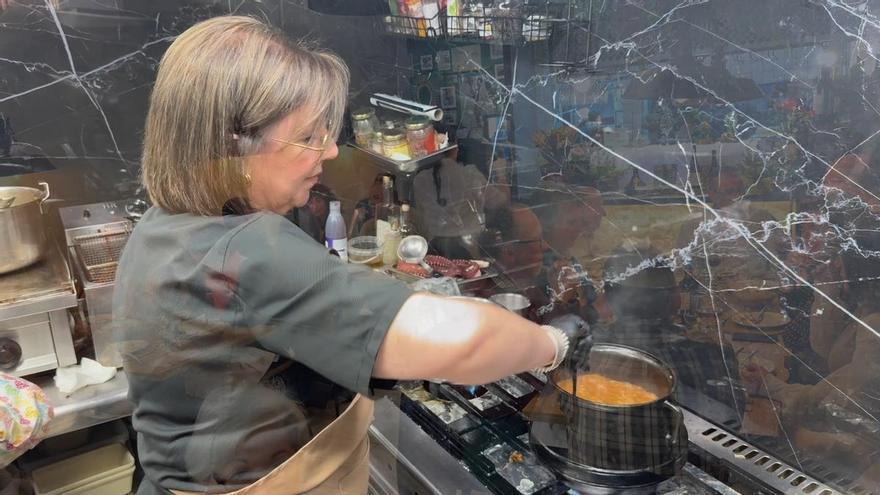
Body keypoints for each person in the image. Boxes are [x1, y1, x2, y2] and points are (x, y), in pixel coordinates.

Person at [114, 16, 567, 495]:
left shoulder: (163, 220)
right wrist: (553, 344)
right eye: (308, 136)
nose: (330, 150)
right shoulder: (245, 246)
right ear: (235, 145)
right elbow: (467, 340)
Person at [413, 126, 510, 259]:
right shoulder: (470, 175)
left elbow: (421, 218)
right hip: (470, 246)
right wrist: (501, 173)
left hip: (434, 248)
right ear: (455, 149)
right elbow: (501, 202)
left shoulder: (419, 179)